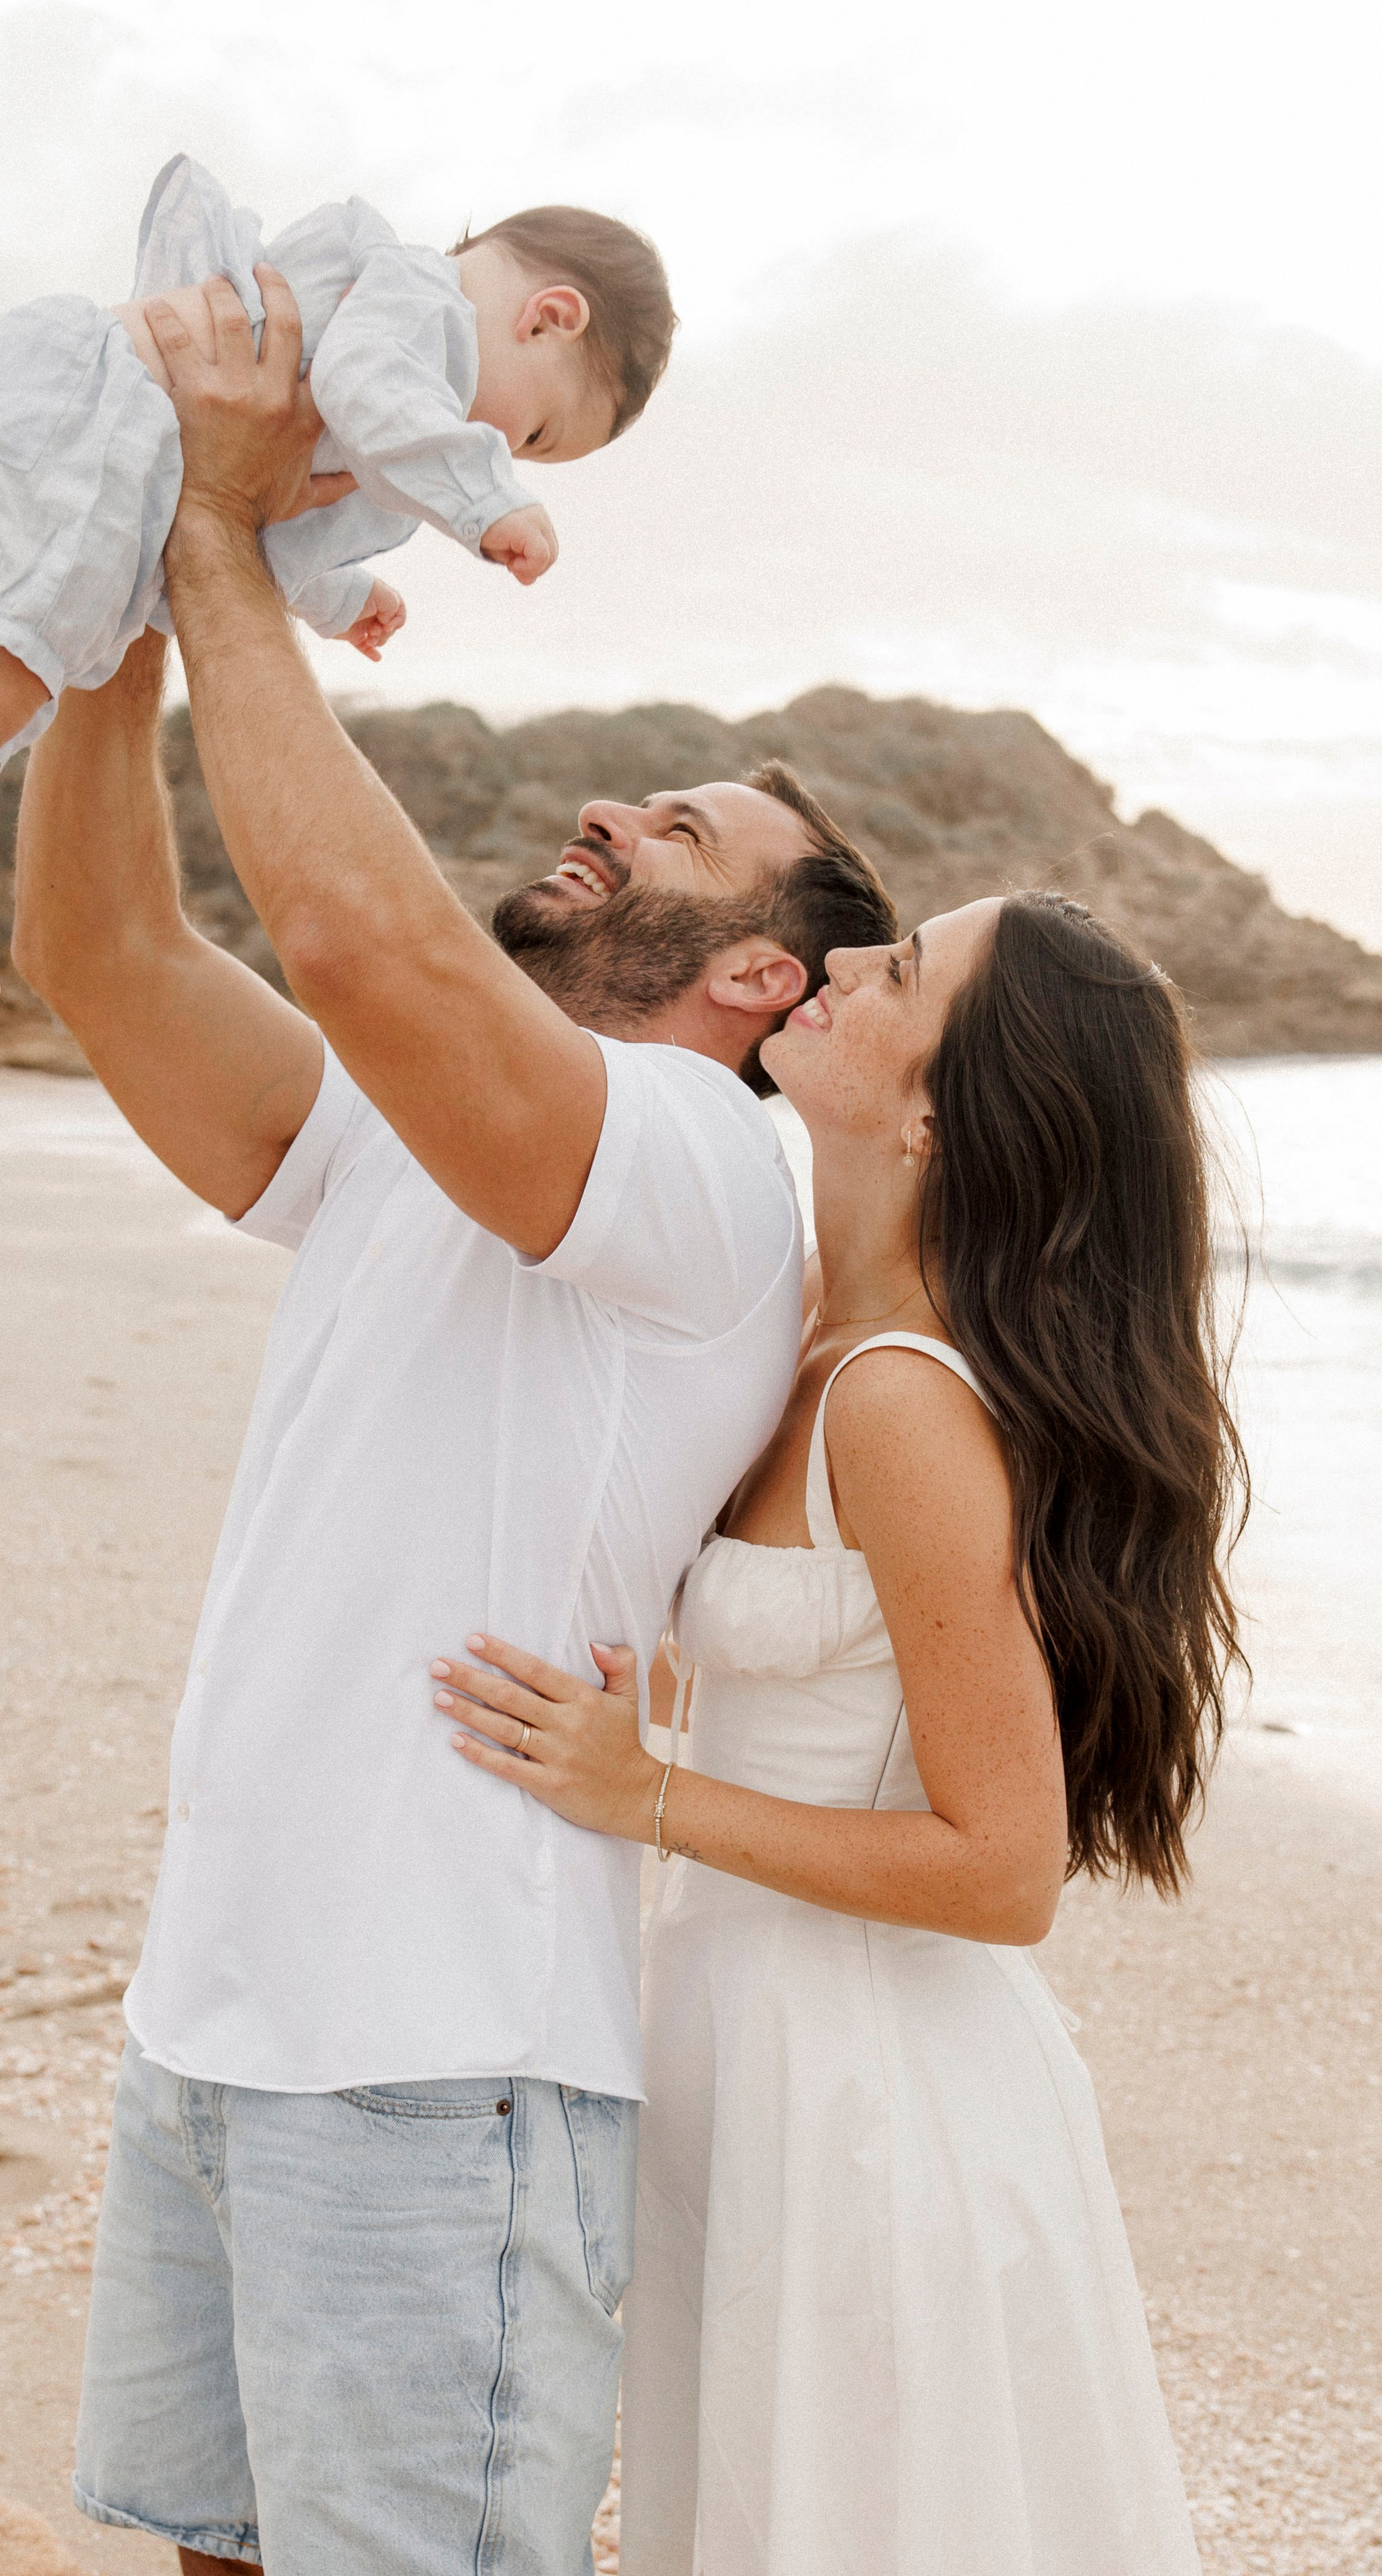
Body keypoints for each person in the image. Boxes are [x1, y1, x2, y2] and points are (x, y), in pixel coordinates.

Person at [6, 271, 898, 2573]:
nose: (612, 808)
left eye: (679, 829)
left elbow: (365, 946)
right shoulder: (426, 1129)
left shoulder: (700, 1165)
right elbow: (106, 957)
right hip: (223, 1999)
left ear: (758, 977)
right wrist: (119, 596)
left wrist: (224, 534)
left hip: (441, 2049)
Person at [431, 893, 1245, 2573]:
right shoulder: (795, 1326)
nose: (842, 965)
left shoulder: (896, 1399)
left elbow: (1006, 1865)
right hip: (750, 2045)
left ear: (938, 1106)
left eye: (902, 972)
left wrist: (641, 1790)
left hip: (873, 2091)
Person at [0, 152, 676, 1037]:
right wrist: (491, 499)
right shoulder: (424, 305)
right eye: (534, 435)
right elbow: (369, 399)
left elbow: (268, 505)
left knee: (4, 688)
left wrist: (340, 595)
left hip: (61, 425)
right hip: (64, 418)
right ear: (550, 318)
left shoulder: (392, 339)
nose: (505, 449)